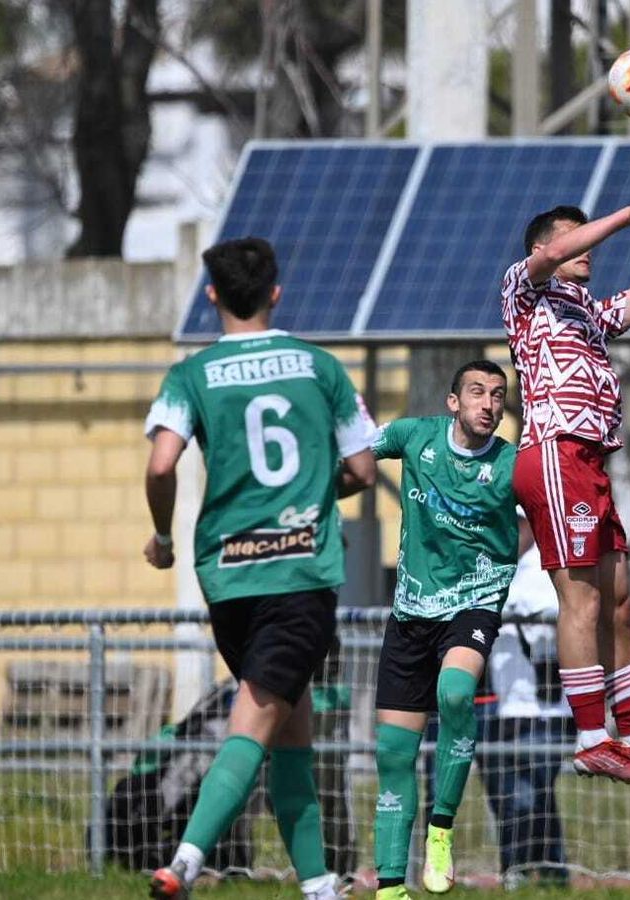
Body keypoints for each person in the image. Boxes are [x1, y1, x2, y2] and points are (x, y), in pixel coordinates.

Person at [141, 236, 378, 900]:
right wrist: (309, 496)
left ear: (212, 295)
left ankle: (320, 887)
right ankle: (184, 861)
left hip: (228, 577)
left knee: (289, 732)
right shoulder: (319, 367)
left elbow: (161, 464)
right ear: (276, 292)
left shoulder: (191, 374)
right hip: (298, 575)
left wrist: (162, 535)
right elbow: (362, 467)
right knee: (260, 715)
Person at [498, 146, 630, 803]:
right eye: (572, 240)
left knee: (620, 602)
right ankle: (590, 741)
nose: (588, 251)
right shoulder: (527, 293)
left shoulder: (593, 316)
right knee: (578, 598)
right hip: (553, 452)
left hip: (592, 465)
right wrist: (625, 212)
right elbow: (553, 255)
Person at [367, 359, 519, 899]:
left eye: (498, 395)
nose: (488, 403)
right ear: (453, 402)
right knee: (392, 754)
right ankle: (389, 889)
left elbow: (552, 511)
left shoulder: (510, 465)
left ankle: (441, 830)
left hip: (472, 605)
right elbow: (357, 448)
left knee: (455, 692)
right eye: (476, 392)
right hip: (410, 612)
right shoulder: (415, 437)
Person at [479, 513, 574, 890]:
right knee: (508, 791)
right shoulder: (495, 565)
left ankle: (532, 867)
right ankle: (542, 869)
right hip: (503, 699)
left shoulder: (548, 567)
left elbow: (560, 619)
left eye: (518, 525)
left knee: (531, 790)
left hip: (544, 705)